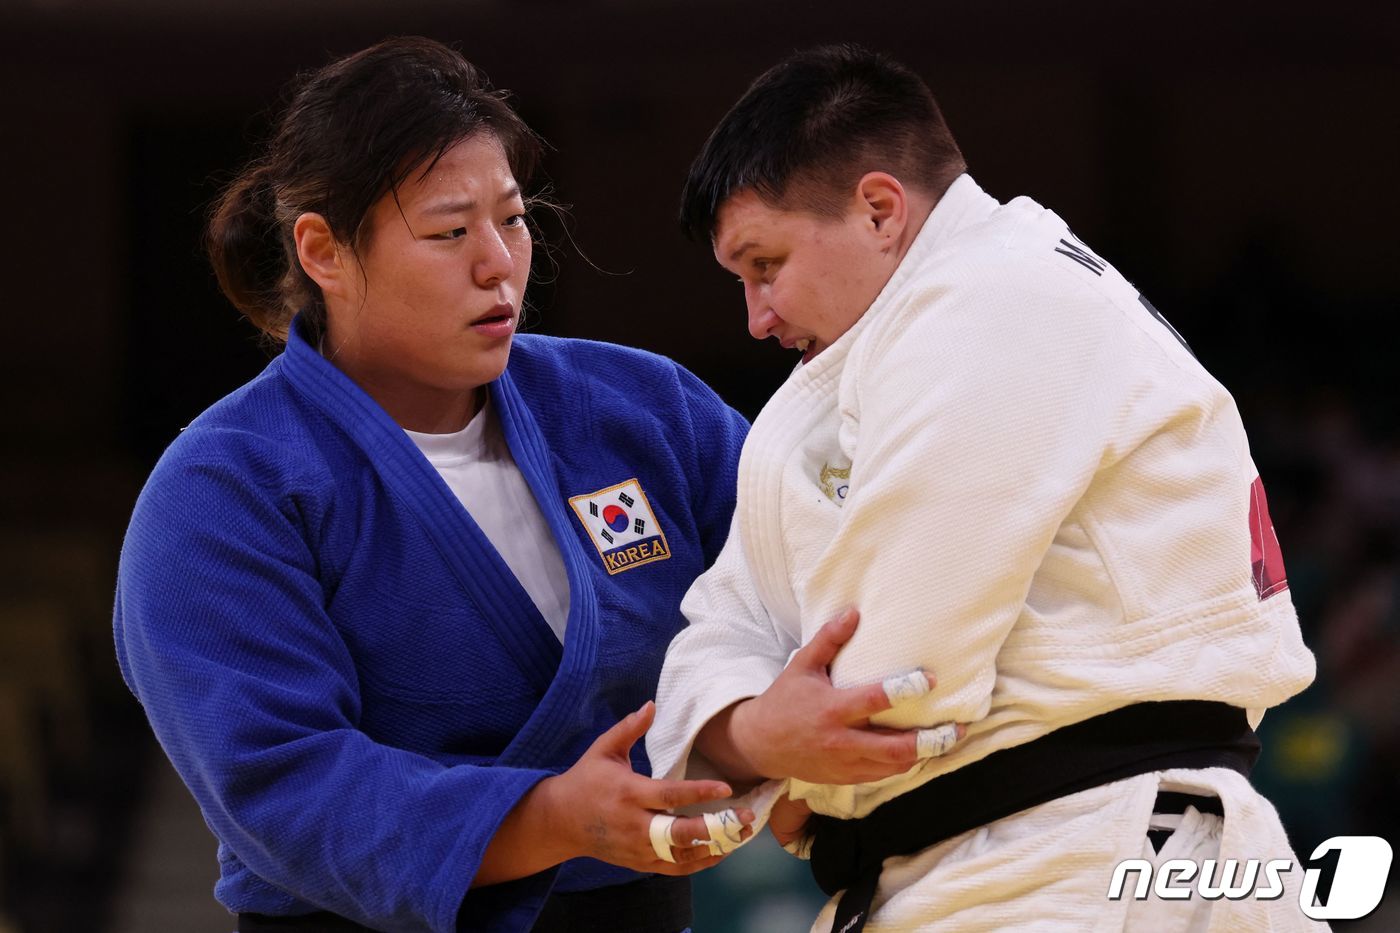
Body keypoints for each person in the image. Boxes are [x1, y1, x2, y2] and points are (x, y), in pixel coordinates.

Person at [646, 44, 1319, 931]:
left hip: (1089, 853)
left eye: (765, 264)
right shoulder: (852, 381)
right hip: (995, 864)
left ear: (881, 209)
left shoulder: (1001, 301)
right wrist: (765, 741)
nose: (756, 317)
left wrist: (767, 758)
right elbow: (724, 624)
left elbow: (894, 685)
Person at [113, 37, 760, 933]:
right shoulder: (224, 488)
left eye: (515, 218)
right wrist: (546, 820)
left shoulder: (643, 410)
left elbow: (802, 576)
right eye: (450, 232)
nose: (499, 263)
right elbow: (282, 778)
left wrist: (774, 723)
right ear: (323, 251)